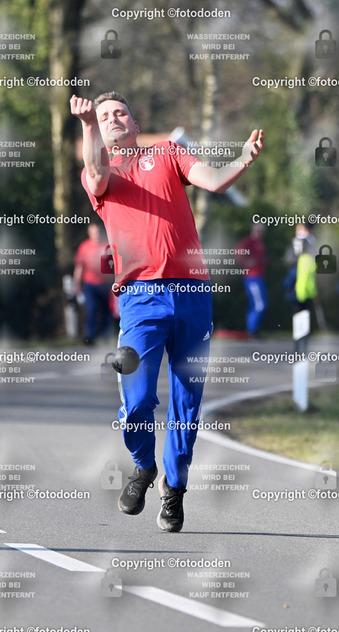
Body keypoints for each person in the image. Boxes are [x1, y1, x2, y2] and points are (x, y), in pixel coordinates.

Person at [70, 91, 263, 532]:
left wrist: (242, 160)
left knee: (187, 401)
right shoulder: (100, 172)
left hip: (193, 295)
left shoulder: (167, 153)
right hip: (140, 298)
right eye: (104, 116)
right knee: (137, 398)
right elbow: (95, 173)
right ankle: (143, 465)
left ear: (136, 124)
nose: (113, 118)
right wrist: (87, 124)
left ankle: (174, 490)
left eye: (121, 112)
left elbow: (214, 180)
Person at [74, 223, 112, 345]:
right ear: (89, 233)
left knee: (106, 311)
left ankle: (105, 337)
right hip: (90, 284)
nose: (96, 235)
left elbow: (114, 267)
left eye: (98, 232)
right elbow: (79, 268)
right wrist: (77, 287)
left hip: (105, 285)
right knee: (92, 309)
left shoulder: (107, 245)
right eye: (94, 232)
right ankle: (90, 337)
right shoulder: (84, 247)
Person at [235, 222, 268, 337]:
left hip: (259, 277)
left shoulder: (260, 243)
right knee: (260, 304)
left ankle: (253, 329)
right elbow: (238, 252)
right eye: (259, 230)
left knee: (255, 303)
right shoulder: (249, 241)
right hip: (252, 277)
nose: (260, 233)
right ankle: (252, 330)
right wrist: (246, 262)